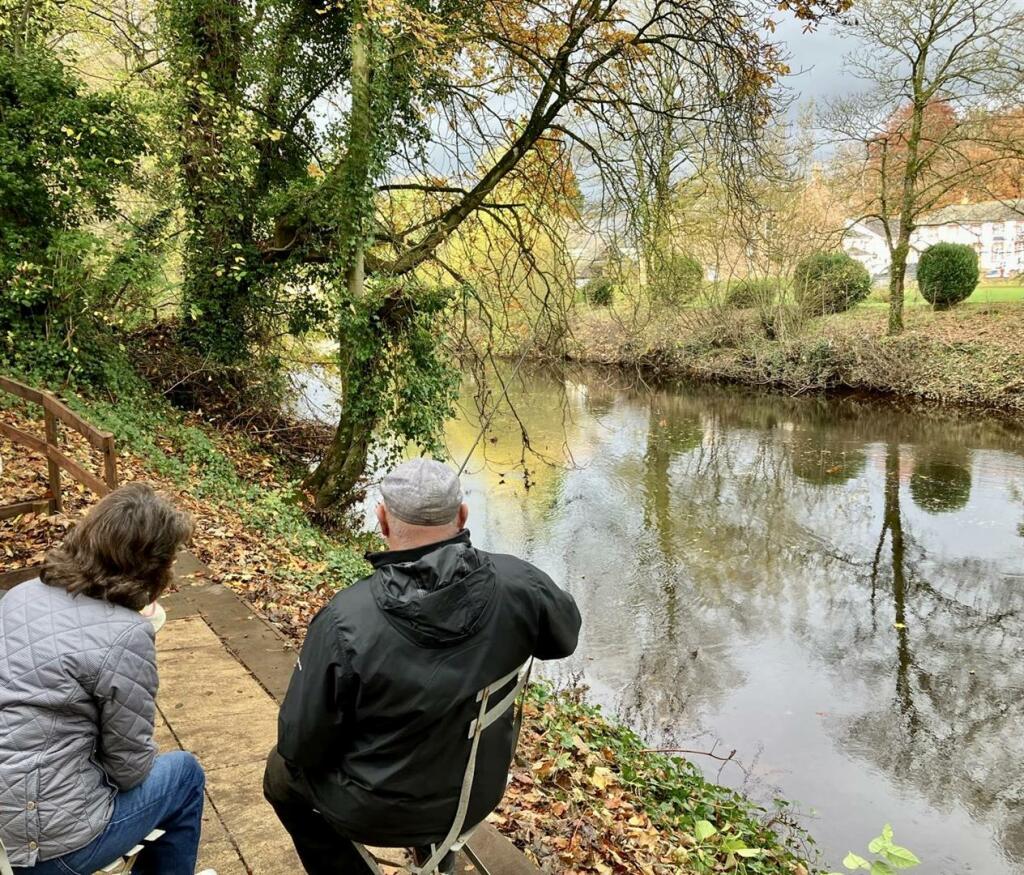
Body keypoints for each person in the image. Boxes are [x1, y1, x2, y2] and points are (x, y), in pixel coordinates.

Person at [264, 458, 582, 875]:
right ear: (463, 516)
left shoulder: (345, 622)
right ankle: (437, 857)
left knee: (280, 776)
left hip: (375, 810)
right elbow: (564, 639)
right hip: (475, 791)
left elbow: (299, 744)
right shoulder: (522, 586)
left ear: (382, 519)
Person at [0, 482, 214, 875]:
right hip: (41, 851)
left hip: (5, 833)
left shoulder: (20, 594)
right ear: (152, 565)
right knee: (184, 775)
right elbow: (129, 769)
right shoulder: (126, 634)